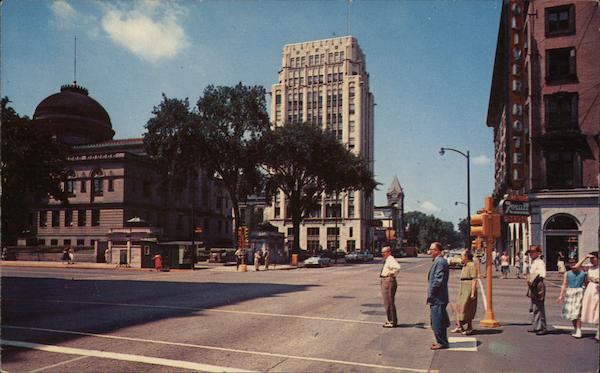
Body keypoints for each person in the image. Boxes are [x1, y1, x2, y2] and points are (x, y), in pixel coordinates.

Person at [427, 242, 450, 350]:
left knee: (437, 321)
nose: (430, 251)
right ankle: (442, 340)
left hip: (437, 297)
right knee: (439, 320)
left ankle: (442, 342)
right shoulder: (439, 261)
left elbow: (438, 280)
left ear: (437, 251)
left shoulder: (440, 262)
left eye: (431, 249)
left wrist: (431, 293)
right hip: (438, 297)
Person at [557, 258, 586, 338]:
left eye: (574, 263)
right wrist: (560, 295)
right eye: (571, 263)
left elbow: (586, 284)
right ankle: (576, 329)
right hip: (570, 292)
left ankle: (579, 330)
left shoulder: (583, 274)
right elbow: (564, 284)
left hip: (579, 292)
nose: (572, 264)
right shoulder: (567, 273)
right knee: (571, 313)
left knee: (577, 313)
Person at [450, 250, 477, 335]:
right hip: (463, 287)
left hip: (468, 288)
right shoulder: (465, 264)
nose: (461, 257)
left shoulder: (471, 265)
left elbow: (474, 280)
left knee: (467, 308)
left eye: (462, 256)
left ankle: (469, 327)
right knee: (458, 307)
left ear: (466, 257)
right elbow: (453, 260)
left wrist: (472, 293)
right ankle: (459, 326)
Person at [575, 252, 599, 341]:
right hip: (591, 287)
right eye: (590, 258)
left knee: (597, 310)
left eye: (593, 258)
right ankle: (578, 330)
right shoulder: (589, 266)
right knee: (587, 308)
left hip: (598, 288)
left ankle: (598, 334)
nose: (592, 260)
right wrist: (585, 257)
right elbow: (576, 267)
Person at [527, 245, 547, 335]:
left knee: (539, 307)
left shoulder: (540, 262)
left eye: (533, 252)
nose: (531, 254)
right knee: (534, 307)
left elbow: (542, 274)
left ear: (538, 253)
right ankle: (536, 326)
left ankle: (542, 327)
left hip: (537, 284)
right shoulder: (534, 262)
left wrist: (534, 281)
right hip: (533, 285)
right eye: (530, 252)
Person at [380, 246, 400, 328]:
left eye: (384, 252)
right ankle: (391, 320)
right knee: (387, 301)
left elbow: (398, 267)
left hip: (388, 281)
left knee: (389, 301)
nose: (382, 254)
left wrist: (391, 273)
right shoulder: (388, 260)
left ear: (389, 252)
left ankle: (392, 321)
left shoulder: (391, 259)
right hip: (386, 280)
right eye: (382, 252)